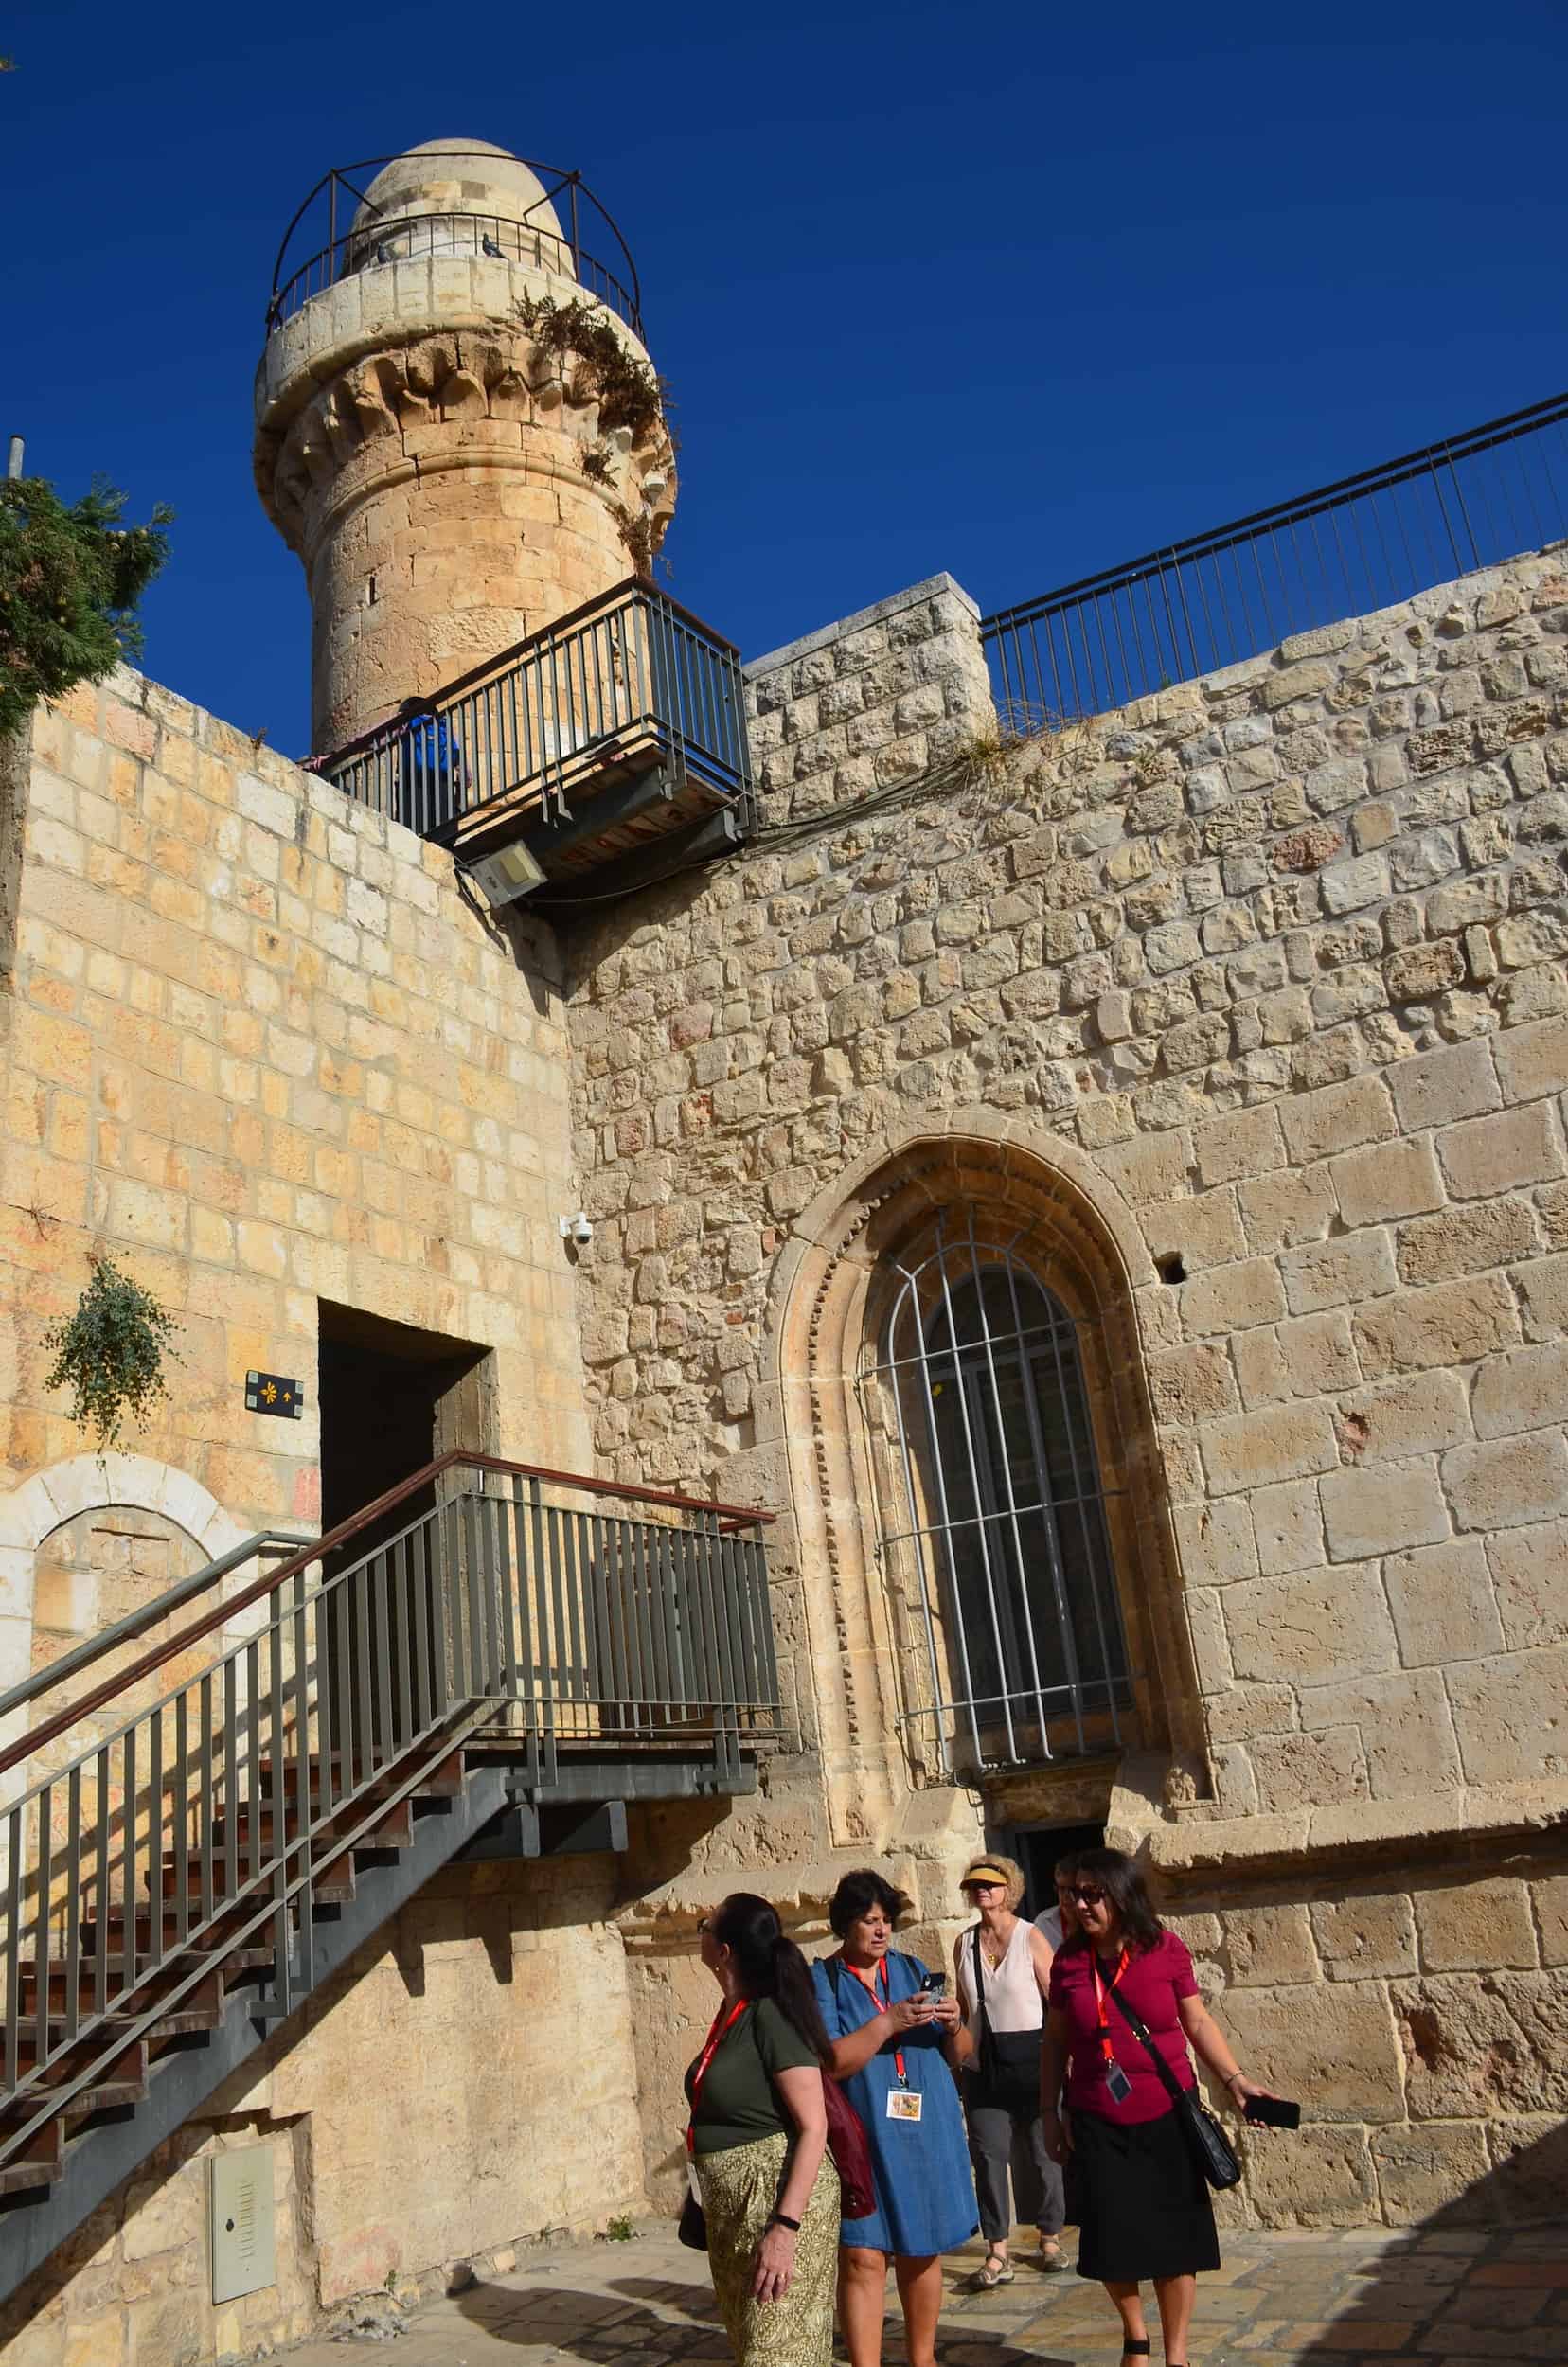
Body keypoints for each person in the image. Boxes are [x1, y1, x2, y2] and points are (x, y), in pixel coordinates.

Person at [1041, 1848, 1277, 2367]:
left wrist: (1236, 2080)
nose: (1080, 1904)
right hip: (1096, 2119)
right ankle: (1136, 2340)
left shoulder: (1165, 1949)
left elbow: (1196, 2023)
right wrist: (1049, 2114)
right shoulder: (1069, 1961)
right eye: (1073, 1893)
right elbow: (1055, 2042)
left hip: (1168, 2114)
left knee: (1176, 2241)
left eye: (1092, 1893)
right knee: (1110, 2240)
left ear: (1121, 1896)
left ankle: (1177, 2355)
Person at [812, 1871, 977, 2367]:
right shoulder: (824, 1979)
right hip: (864, 2134)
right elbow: (832, 2062)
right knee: (863, 2254)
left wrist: (954, 2025)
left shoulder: (911, 1968)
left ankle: (921, 2359)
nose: (880, 1931)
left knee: (921, 2246)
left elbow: (963, 2054)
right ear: (846, 1924)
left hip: (925, 2129)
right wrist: (888, 2023)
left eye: (885, 1920)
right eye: (868, 1921)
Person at [686, 1893, 842, 2367]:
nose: (702, 1933)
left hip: (775, 2200)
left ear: (725, 1950)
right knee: (753, 2345)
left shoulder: (770, 2015)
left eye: (705, 1925)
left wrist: (785, 2229)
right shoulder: (729, 2013)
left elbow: (814, 2126)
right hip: (736, 2210)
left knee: (775, 2354)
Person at [951, 1854, 1065, 2285]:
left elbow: (1058, 2001)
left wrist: (1063, 2057)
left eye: (991, 1884)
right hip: (985, 2063)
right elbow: (964, 2006)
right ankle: (997, 2250)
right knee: (988, 2155)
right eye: (975, 1885)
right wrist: (957, 2056)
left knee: (1042, 2155)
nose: (983, 1891)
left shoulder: (1030, 1937)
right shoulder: (964, 1942)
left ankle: (1049, 2237)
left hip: (1033, 2058)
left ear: (1008, 1889)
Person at [1033, 1849, 1083, 1951]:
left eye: (1072, 1889)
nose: (1065, 1896)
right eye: (1061, 1888)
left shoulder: (1095, 1921)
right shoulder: (1044, 1922)